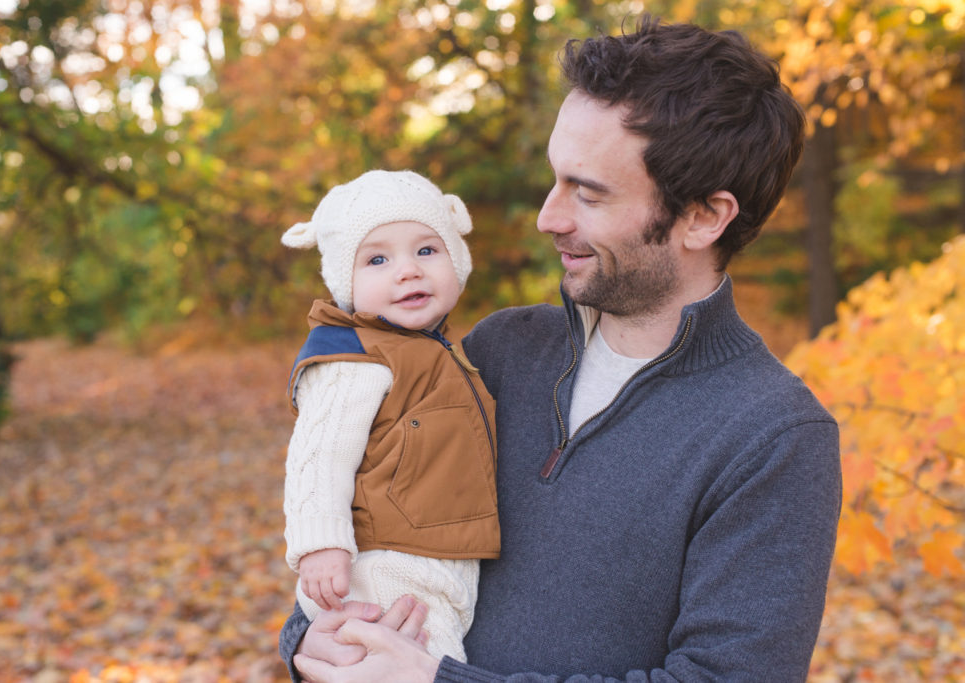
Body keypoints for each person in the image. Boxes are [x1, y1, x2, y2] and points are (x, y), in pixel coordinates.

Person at [279, 16, 842, 683]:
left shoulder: (773, 436)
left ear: (703, 217)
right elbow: (358, 519)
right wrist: (311, 639)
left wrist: (437, 679)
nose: (550, 216)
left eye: (589, 192)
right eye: (556, 180)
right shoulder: (500, 350)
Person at [279, 169, 500, 663]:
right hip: (383, 571)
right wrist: (321, 546)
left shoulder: (436, 352)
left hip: (438, 570)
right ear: (346, 282)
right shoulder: (354, 357)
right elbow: (320, 453)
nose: (408, 270)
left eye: (427, 250)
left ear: (457, 261)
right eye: (377, 258)